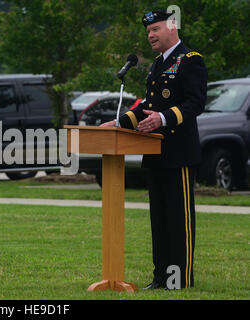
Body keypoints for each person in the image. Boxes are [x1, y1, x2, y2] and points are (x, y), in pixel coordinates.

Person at [100, 9, 207, 289]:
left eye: (155, 29)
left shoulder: (190, 61)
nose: (150, 35)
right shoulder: (157, 65)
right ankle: (161, 279)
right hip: (155, 153)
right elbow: (147, 106)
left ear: (172, 28)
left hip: (179, 153)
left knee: (178, 220)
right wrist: (116, 124)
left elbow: (195, 103)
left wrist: (163, 118)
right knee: (159, 223)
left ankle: (179, 280)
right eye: (148, 31)